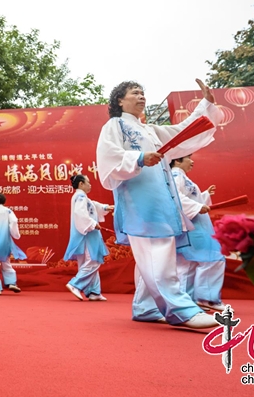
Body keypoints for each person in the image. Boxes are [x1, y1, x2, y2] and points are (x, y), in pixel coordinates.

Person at [96, 79, 221, 329]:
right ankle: (181, 310)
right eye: (135, 93)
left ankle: (145, 307)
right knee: (158, 252)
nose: (141, 96)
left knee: (153, 255)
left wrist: (206, 104)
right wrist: (140, 158)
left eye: (143, 93)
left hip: (161, 200)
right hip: (140, 202)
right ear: (120, 100)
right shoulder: (115, 125)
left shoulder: (150, 130)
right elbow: (108, 156)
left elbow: (184, 131)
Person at [170, 154, 227, 311]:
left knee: (189, 263)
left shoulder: (181, 177)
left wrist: (204, 195)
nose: (192, 161)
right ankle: (206, 298)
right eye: (188, 157)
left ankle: (187, 301)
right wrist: (196, 207)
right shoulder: (176, 175)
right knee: (213, 257)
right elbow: (175, 197)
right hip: (194, 226)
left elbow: (189, 199)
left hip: (193, 224)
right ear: (177, 160)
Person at [63, 174, 113, 301]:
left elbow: (93, 206)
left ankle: (93, 292)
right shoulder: (80, 196)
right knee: (94, 260)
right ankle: (75, 284)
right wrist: (92, 224)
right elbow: (80, 213)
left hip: (85, 233)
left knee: (87, 262)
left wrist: (106, 207)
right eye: (88, 182)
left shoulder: (81, 197)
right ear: (81, 184)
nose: (90, 185)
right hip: (88, 234)